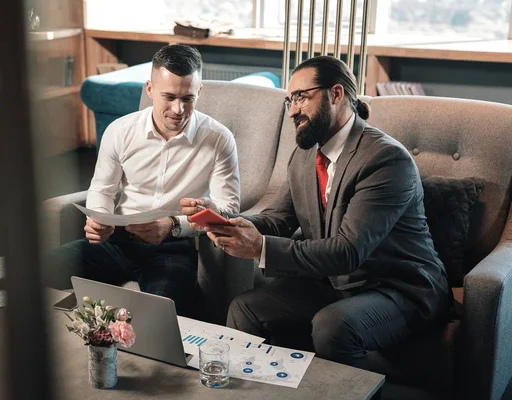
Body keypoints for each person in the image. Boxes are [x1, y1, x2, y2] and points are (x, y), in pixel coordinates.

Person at [181, 56, 451, 369]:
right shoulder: (305, 155)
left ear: (336, 94)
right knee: (246, 308)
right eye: (289, 100)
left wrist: (259, 247)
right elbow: (278, 220)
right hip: (333, 284)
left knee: (333, 326)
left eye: (301, 97)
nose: (292, 110)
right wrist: (225, 221)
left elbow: (348, 251)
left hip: (398, 289)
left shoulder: (386, 160)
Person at [47, 44, 240, 315]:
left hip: (173, 249)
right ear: (149, 89)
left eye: (188, 98)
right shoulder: (120, 131)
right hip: (116, 242)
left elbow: (229, 208)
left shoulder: (219, 139)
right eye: (169, 97)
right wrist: (100, 219)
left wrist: (175, 225)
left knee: (161, 314)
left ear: (199, 92)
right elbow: (102, 188)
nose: (178, 109)